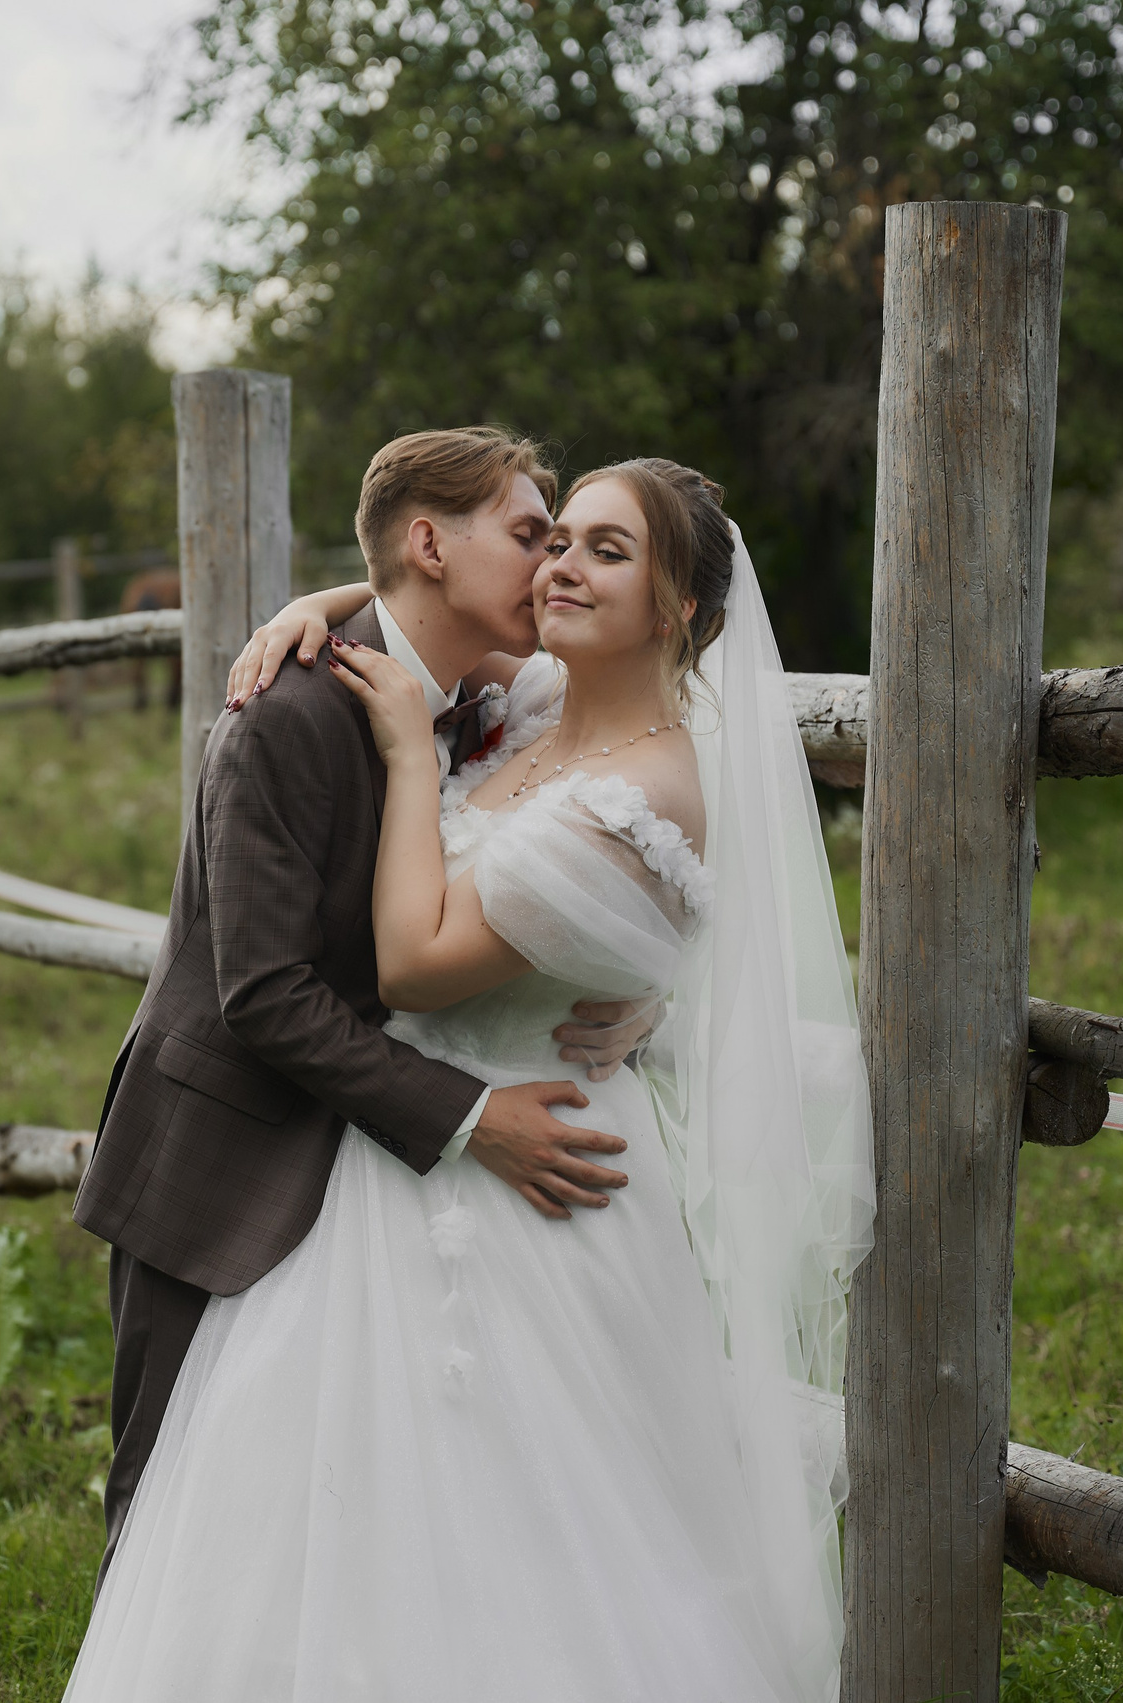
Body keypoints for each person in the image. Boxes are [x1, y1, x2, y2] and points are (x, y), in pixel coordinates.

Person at [64, 456, 874, 1701]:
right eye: (549, 539)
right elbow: (417, 603)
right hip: (368, 1146)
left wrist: (624, 953)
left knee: (550, 1522)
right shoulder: (526, 697)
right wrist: (319, 606)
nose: (558, 564)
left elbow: (427, 954)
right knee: (260, 1508)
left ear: (676, 608)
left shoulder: (634, 772)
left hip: (532, 1163)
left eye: (603, 549)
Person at [73, 427, 666, 1577]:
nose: (549, 564)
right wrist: (472, 1115)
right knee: (172, 1510)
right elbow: (264, 994)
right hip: (224, 1142)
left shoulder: (480, 698)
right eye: (529, 534)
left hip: (360, 1167)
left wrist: (642, 988)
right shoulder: (283, 713)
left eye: (564, 541)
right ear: (431, 542)